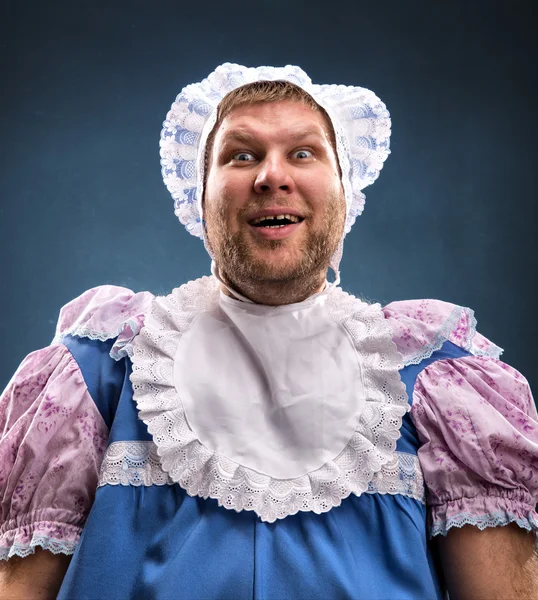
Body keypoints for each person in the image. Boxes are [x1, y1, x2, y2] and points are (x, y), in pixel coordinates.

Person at [0, 62, 537, 600]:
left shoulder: (437, 382)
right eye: (242, 155)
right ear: (199, 198)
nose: (272, 176)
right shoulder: (97, 373)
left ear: (345, 191)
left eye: (303, 153)